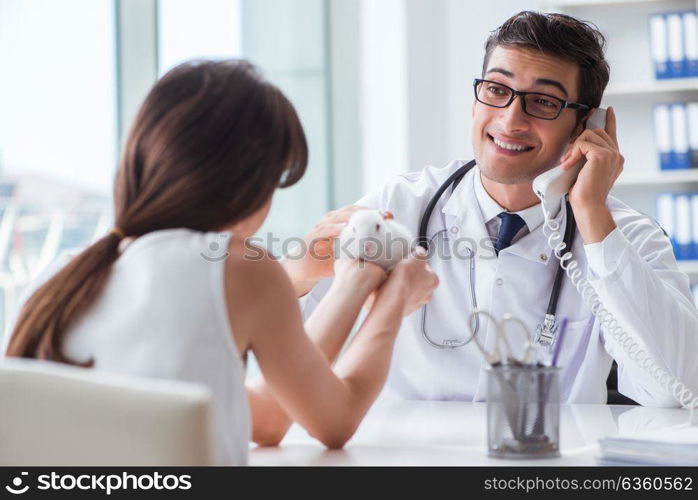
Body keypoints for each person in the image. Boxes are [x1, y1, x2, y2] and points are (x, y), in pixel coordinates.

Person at [1, 59, 438, 464]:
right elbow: (334, 419)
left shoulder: (60, 277)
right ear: (249, 183)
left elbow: (268, 417)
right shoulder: (241, 266)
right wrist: (394, 296)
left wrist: (350, 280)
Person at [282, 11, 698, 407]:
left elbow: (677, 389)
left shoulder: (624, 235)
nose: (510, 120)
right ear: (477, 99)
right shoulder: (398, 207)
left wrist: (590, 213)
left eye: (543, 102)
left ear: (585, 125)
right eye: (497, 91)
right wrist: (298, 274)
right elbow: (284, 352)